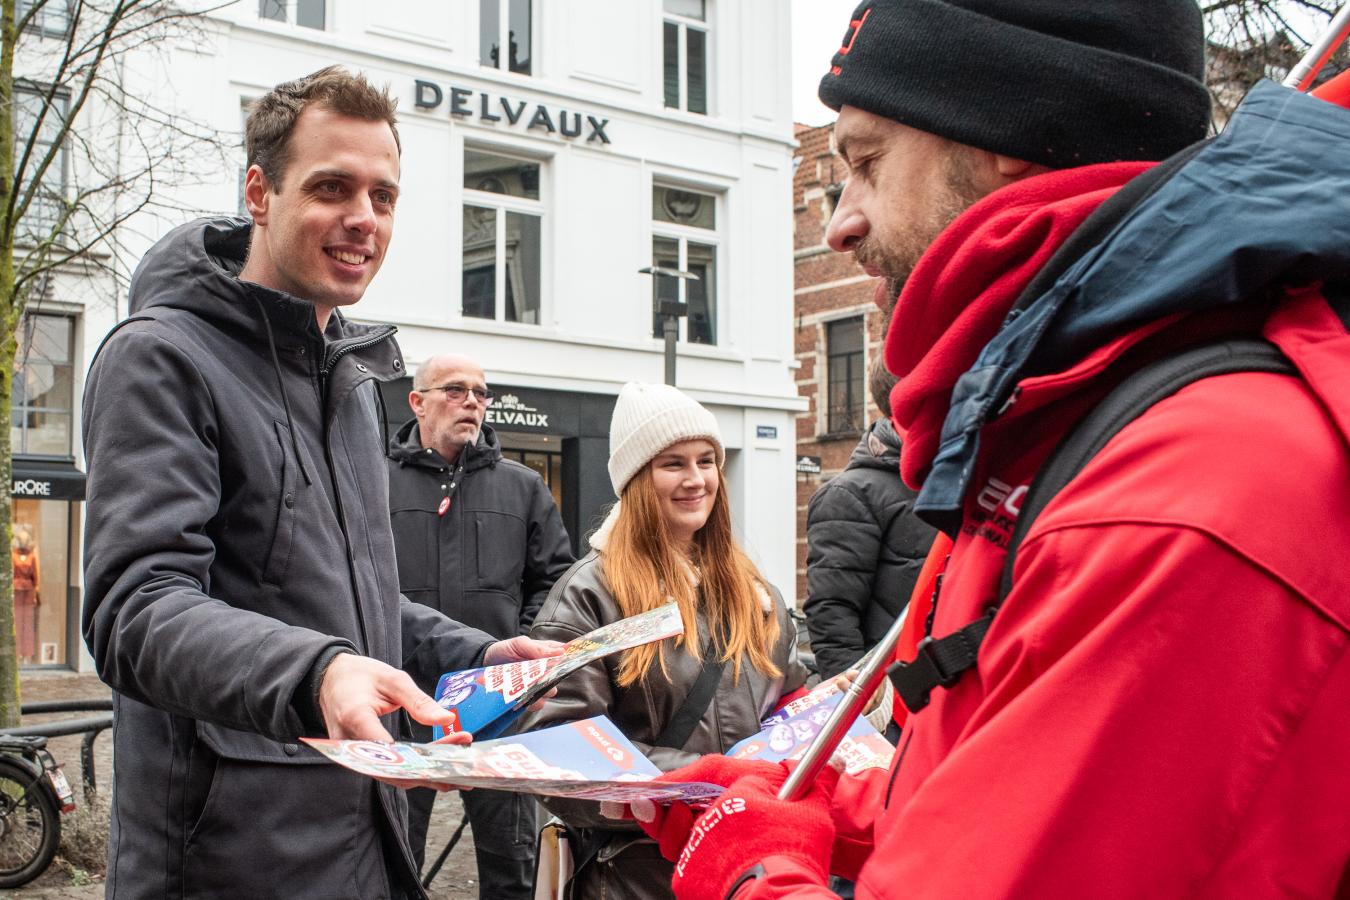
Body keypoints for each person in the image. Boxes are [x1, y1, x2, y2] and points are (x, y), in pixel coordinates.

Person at [627, 2, 1350, 897]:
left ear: (1009, 125)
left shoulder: (1175, 491)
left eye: (867, 163)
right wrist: (809, 806)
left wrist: (749, 870)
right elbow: (993, 799)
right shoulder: (1060, 426)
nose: (840, 224)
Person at [81, 67, 560, 900]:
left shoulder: (349, 383)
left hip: (361, 843)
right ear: (258, 193)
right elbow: (135, 608)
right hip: (227, 864)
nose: (363, 218)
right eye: (332, 187)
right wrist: (318, 674)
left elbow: (354, 604)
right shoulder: (159, 357)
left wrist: (480, 655)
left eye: (384, 195)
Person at [523, 382, 810, 899]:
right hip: (636, 876)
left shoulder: (756, 592)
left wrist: (834, 718)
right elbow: (558, 753)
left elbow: (789, 705)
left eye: (706, 461)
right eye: (673, 464)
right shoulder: (590, 594)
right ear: (637, 480)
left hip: (749, 869)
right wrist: (711, 782)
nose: (696, 479)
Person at [387, 351, 574, 894]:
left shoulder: (523, 487)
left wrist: (527, 652)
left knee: (511, 860)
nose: (471, 401)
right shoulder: (373, 481)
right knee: (393, 854)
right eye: (455, 390)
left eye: (480, 392)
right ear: (417, 402)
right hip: (402, 702)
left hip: (496, 707)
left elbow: (554, 583)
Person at [803, 358, 934, 690]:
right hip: (894, 699)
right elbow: (832, 613)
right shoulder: (849, 494)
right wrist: (860, 705)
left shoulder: (950, 479)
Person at [11, 525, 39, 664]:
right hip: (16, 591)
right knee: (17, 621)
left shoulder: (32, 557)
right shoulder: (13, 555)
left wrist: (35, 593)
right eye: (21, 539)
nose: (23, 542)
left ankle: (27, 653)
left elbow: (35, 576)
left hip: (28, 592)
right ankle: (17, 653)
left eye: (25, 539)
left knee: (28, 623)